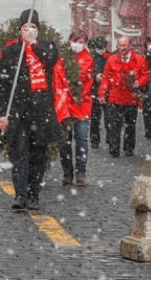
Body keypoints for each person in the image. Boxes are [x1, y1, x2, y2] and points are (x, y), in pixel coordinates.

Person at [0, 9, 64, 211]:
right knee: (20, 154)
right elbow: (2, 85)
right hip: (19, 111)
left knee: (38, 156)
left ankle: (34, 194)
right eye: (26, 27)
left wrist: (34, 44)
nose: (29, 30)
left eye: (33, 27)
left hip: (41, 111)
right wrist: (1, 113)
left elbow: (51, 59)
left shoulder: (47, 48)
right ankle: (21, 194)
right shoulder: (10, 51)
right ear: (19, 30)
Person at [97, 34, 148, 158]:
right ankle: (114, 148)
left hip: (131, 99)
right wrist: (102, 94)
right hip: (115, 98)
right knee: (114, 126)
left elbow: (145, 75)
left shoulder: (140, 60)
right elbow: (106, 79)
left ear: (130, 46)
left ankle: (129, 148)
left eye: (124, 45)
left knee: (130, 126)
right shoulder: (111, 60)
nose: (122, 48)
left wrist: (139, 82)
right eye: (120, 45)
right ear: (117, 47)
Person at [59, 31, 93, 186]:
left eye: (81, 42)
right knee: (64, 142)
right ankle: (67, 172)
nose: (78, 44)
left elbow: (81, 79)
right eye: (75, 41)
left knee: (81, 141)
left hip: (81, 106)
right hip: (65, 106)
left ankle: (81, 172)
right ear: (70, 41)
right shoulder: (63, 57)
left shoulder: (87, 59)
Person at [87, 36, 110, 149]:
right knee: (95, 119)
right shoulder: (90, 58)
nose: (102, 49)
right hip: (94, 90)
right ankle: (94, 140)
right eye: (100, 47)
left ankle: (110, 139)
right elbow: (86, 74)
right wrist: (95, 76)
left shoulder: (109, 57)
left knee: (109, 118)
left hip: (108, 91)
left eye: (103, 47)